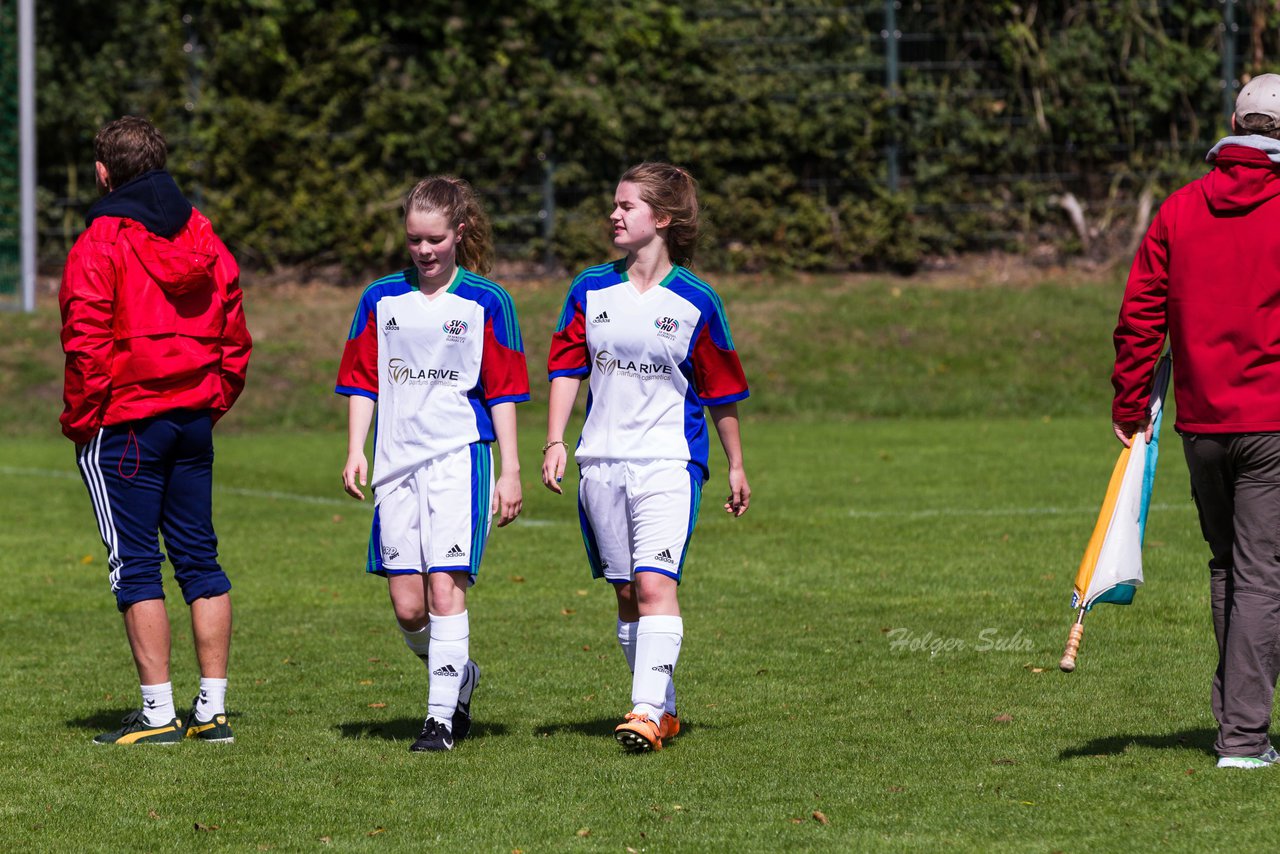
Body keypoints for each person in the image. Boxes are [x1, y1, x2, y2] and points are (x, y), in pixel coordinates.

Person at [542, 162, 751, 752]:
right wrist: (556, 439)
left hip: (669, 461)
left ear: (661, 219)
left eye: (627, 206)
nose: (614, 214)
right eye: (615, 204)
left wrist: (735, 464)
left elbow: (722, 390)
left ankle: (642, 710)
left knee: (655, 583)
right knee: (628, 593)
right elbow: (566, 366)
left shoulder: (696, 300)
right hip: (601, 461)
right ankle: (666, 708)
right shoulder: (589, 289)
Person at [59, 116, 252, 745]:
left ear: (102, 173)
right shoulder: (202, 233)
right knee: (200, 559)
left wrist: (84, 421)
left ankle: (158, 713)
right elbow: (234, 332)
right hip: (192, 419)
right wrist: (209, 401)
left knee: (135, 564)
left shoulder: (100, 240)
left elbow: (85, 342)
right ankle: (213, 711)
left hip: (130, 426)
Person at [1113, 73, 1280, 769]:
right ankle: (1243, 738)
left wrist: (1129, 406)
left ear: (1235, 122)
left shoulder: (1180, 209)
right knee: (1262, 573)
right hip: (1271, 423)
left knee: (1233, 567)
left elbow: (1139, 315)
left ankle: (1235, 720)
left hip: (1201, 423)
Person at [336, 176, 528, 752]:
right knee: (408, 604)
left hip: (458, 461)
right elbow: (360, 380)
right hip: (395, 468)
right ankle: (458, 674)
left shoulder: (487, 302)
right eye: (414, 239)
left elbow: (505, 391)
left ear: (458, 233)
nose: (423, 251)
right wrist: (355, 449)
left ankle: (440, 720)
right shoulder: (379, 299)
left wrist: (511, 468)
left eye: (435, 240)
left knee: (446, 590)